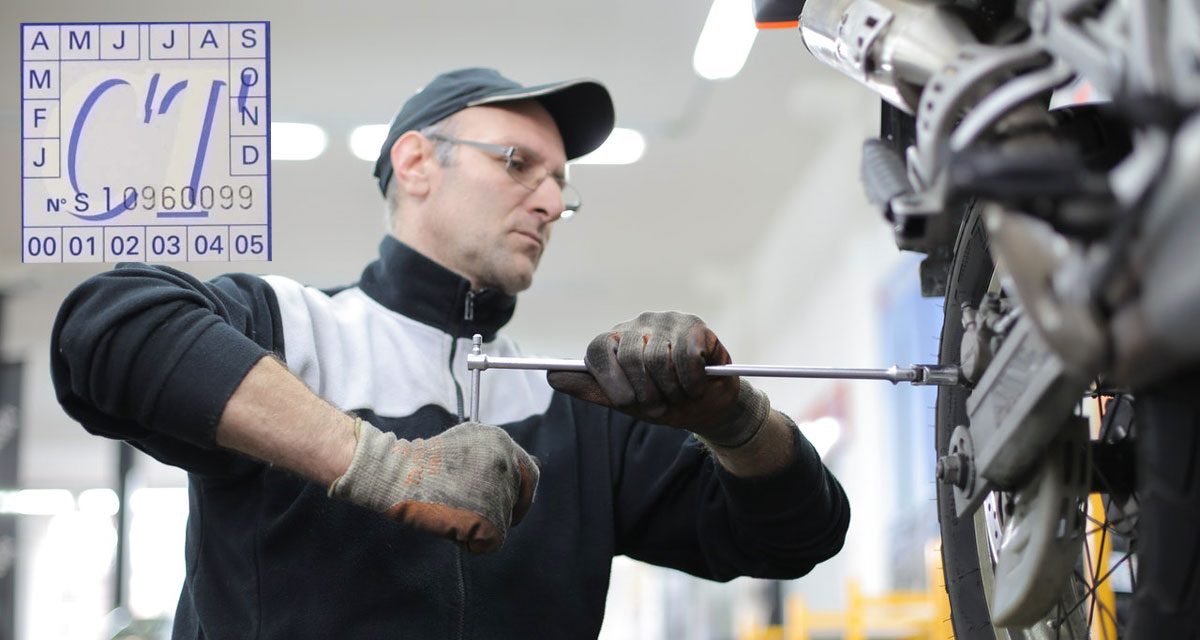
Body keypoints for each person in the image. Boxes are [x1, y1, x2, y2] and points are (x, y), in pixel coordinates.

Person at [51, 67, 850, 639]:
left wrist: (736, 420)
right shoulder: (290, 329)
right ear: (415, 163)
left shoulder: (574, 407)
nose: (549, 200)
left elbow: (797, 536)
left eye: (561, 183)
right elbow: (107, 328)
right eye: (517, 163)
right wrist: (387, 467)